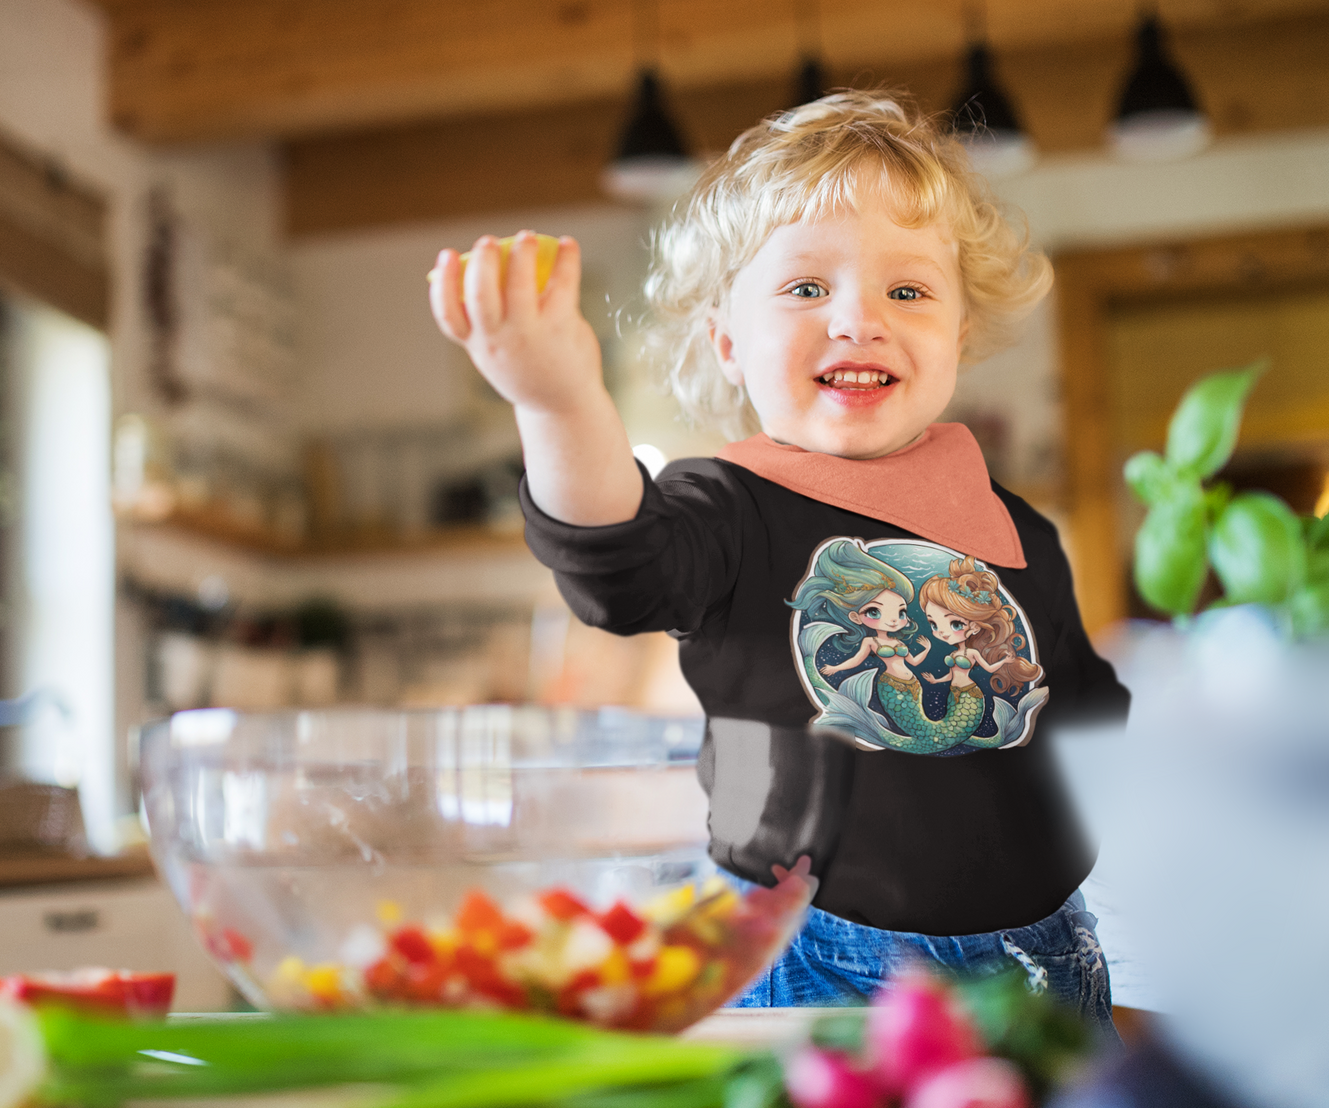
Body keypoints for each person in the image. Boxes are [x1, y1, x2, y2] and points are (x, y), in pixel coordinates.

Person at [429, 91, 1129, 1035]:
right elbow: (614, 563)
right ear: (726, 341)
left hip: (1037, 958)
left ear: (958, 335)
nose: (858, 320)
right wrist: (558, 405)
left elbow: (1088, 722)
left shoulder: (1018, 531)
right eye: (805, 289)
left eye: (908, 291)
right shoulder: (726, 505)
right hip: (807, 954)